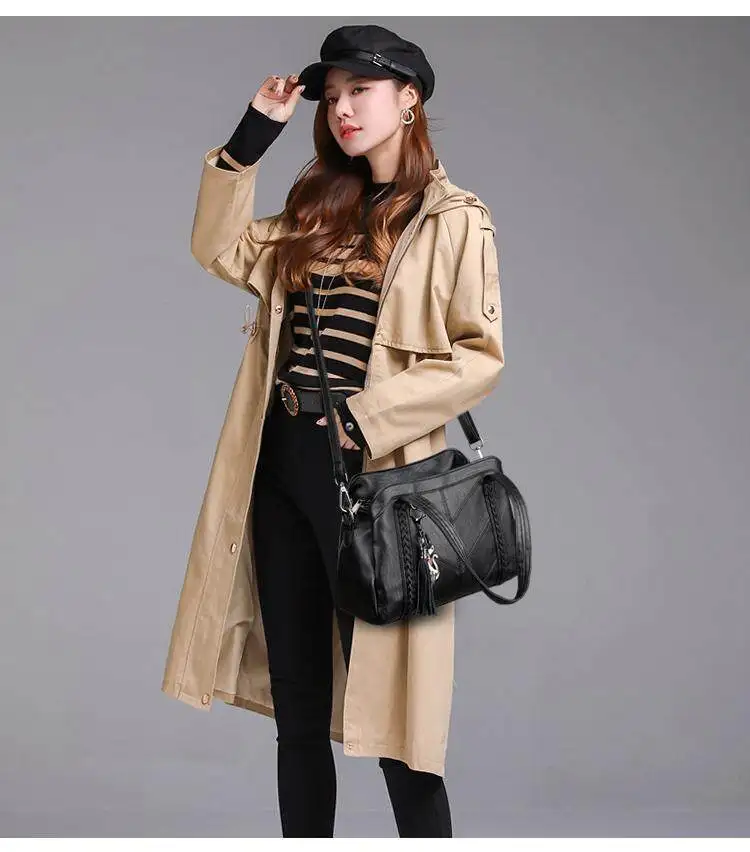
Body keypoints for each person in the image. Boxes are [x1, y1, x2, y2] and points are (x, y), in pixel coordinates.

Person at [164, 22, 504, 839]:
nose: (343, 108)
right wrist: (254, 134)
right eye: (334, 96)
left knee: (397, 725)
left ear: (409, 99)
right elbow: (217, 248)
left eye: (362, 90)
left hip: (377, 483)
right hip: (281, 467)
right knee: (299, 712)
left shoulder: (454, 219)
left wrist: (367, 415)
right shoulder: (316, 209)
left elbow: (478, 356)